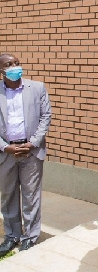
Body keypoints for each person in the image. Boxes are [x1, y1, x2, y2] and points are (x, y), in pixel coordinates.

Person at [0, 54, 51, 256]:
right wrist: (5, 147)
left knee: (31, 196)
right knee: (8, 195)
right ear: (1, 71)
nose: (14, 67)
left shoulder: (37, 88)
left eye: (16, 63)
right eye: (8, 65)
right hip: (6, 153)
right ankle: (11, 235)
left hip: (31, 151)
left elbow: (46, 116)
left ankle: (29, 237)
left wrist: (33, 142)